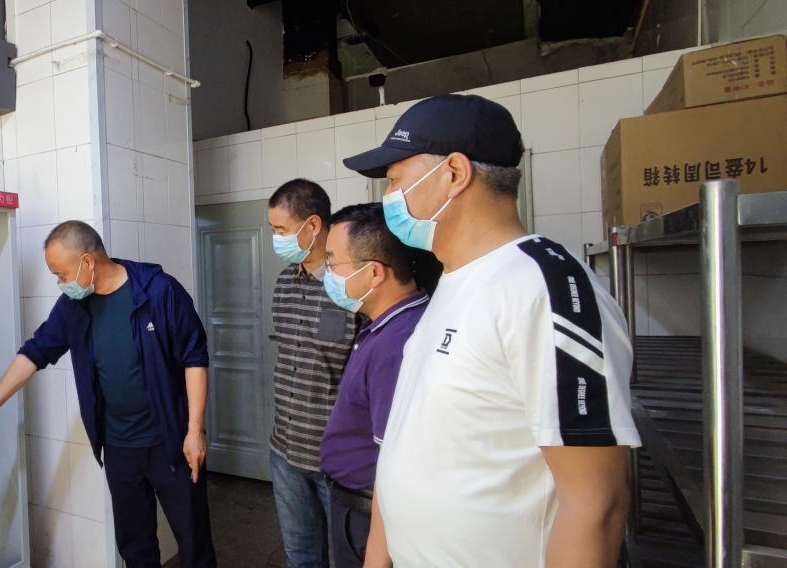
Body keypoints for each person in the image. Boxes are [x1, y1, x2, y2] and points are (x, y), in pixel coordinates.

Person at [342, 94, 641, 568]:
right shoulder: (452, 281)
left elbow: (597, 507)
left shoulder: (543, 288)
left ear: (454, 173)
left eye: (395, 180)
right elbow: (402, 446)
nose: (389, 197)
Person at [0, 220, 216, 568]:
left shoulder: (158, 291)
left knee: (194, 541)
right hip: (119, 448)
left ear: (87, 261)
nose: (60, 283)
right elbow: (34, 353)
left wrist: (194, 430)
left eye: (61, 274)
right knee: (136, 548)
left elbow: (194, 358)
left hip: (171, 443)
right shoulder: (73, 307)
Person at [317, 203, 436, 568]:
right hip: (358, 506)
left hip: (371, 517)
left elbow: (396, 463)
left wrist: (376, 556)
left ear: (373, 273)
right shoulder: (384, 323)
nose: (326, 274)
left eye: (332, 263)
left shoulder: (397, 344)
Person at [266, 179, 359, 568]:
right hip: (284, 450)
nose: (276, 239)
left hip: (335, 458)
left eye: (281, 230)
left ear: (313, 225)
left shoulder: (351, 286)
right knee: (300, 555)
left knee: (345, 557)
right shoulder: (284, 283)